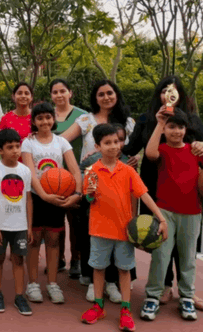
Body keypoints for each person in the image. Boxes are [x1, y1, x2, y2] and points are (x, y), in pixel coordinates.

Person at [123, 75, 203, 309]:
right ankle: (165, 286)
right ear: (158, 94)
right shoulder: (148, 119)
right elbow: (130, 147)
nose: (170, 93)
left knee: (187, 244)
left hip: (188, 191)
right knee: (161, 242)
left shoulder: (193, 120)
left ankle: (187, 292)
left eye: (175, 90)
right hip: (155, 187)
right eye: (165, 90)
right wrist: (99, 153)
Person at [80, 124, 168, 332]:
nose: (113, 146)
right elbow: (89, 198)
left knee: (124, 269)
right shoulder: (92, 171)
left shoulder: (127, 170)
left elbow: (144, 194)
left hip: (123, 231)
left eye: (116, 142)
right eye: (107, 143)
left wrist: (161, 218)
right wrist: (90, 193)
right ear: (97, 146)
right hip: (99, 230)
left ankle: (125, 310)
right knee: (98, 268)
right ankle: (99, 306)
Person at [61, 79, 136, 303]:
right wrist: (78, 164)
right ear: (95, 97)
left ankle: (113, 281)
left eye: (110, 93)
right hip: (93, 179)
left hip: (120, 181)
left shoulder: (128, 122)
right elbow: (62, 141)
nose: (106, 97)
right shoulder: (86, 120)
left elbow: (137, 146)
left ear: (116, 94)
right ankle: (92, 278)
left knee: (119, 231)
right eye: (101, 94)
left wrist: (137, 157)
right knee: (92, 230)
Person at [141, 108, 202, 321]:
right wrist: (159, 122)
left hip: (192, 212)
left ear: (186, 129)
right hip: (165, 211)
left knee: (188, 258)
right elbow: (149, 154)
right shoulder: (163, 150)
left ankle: (186, 296)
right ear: (165, 130)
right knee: (161, 256)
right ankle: (153, 296)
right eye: (172, 127)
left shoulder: (195, 151)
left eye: (180, 127)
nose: (176, 131)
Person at [21, 102, 82, 304]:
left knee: (54, 241)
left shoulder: (61, 142)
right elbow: (30, 172)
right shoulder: (28, 143)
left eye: (48, 117)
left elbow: (74, 170)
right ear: (34, 121)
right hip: (37, 197)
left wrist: (77, 193)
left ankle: (53, 284)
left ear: (53, 119)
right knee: (34, 240)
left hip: (58, 196)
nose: (45, 121)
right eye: (40, 118)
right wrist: (44, 195)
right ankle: (33, 283)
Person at [0, 129, 33, 316]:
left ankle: (19, 296)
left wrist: (29, 226)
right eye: (10, 147)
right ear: (1, 150)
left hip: (20, 226)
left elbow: (28, 199)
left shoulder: (25, 171)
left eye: (17, 146)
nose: (15, 150)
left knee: (18, 260)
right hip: (0, 227)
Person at [50, 78, 87, 278]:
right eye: (55, 92)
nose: (59, 95)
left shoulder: (82, 116)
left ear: (70, 92)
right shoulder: (47, 115)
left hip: (75, 175)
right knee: (56, 222)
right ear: (51, 96)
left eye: (62, 91)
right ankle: (58, 259)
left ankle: (76, 259)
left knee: (75, 222)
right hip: (51, 176)